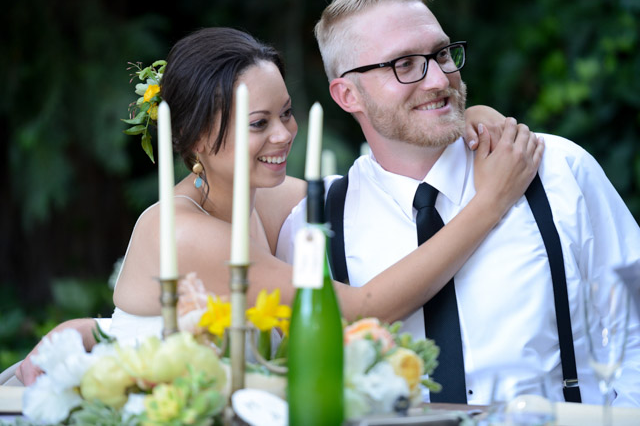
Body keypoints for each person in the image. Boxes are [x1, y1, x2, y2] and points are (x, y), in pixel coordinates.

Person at [14, 27, 543, 385]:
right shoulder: (182, 230)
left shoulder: (257, 196)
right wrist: (490, 203)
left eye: (286, 114)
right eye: (258, 123)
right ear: (196, 136)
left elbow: (375, 189)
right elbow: (360, 310)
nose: (284, 135)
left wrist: (465, 113)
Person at [289, 0, 640, 407]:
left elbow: (634, 323)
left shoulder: (556, 169)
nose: (439, 80)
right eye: (404, 64)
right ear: (348, 94)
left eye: (441, 54)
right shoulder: (316, 224)